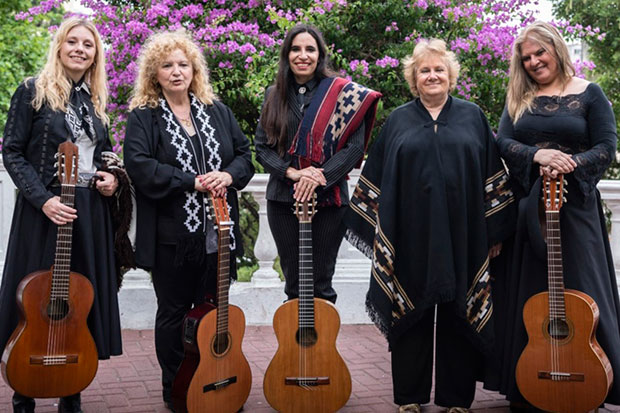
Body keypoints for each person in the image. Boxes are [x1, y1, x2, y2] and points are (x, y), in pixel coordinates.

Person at [344, 39, 515, 412]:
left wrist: (493, 232)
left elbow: (492, 177)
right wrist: (380, 232)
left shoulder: (473, 117)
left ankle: (456, 399)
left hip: (466, 236)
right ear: (414, 78)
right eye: (425, 70)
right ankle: (410, 398)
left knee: (459, 313)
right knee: (410, 313)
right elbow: (376, 178)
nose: (432, 75)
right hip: (410, 237)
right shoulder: (399, 121)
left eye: (439, 69)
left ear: (451, 76)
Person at [0, 17, 133, 413]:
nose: (79, 48)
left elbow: (103, 153)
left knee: (78, 299)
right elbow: (12, 151)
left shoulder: (95, 100)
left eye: (87, 45)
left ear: (96, 55)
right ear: (59, 46)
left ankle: (70, 387)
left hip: (89, 213)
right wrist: (43, 200)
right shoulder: (32, 92)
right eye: (72, 42)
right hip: (45, 212)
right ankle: (23, 387)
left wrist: (110, 180)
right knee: (34, 298)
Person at [123, 30, 254, 410]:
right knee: (174, 313)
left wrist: (228, 175)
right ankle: (178, 388)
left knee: (214, 309)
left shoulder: (217, 111)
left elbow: (244, 155)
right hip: (172, 238)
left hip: (219, 234)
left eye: (183, 64)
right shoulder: (143, 117)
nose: (177, 71)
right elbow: (140, 166)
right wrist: (191, 181)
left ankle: (215, 380)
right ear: (154, 74)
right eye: (167, 65)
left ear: (195, 69)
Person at [495, 21, 620, 407]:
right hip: (532, 209)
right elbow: (501, 141)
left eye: (539, 53)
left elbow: (607, 147)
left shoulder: (590, 94)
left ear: (556, 48)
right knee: (532, 293)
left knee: (585, 291)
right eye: (526, 57)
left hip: (577, 210)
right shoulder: (521, 98)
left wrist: (567, 163)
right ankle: (529, 384)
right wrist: (537, 155)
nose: (533, 62)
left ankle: (593, 379)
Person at [255, 24, 381, 303]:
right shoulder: (273, 95)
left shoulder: (344, 94)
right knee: (294, 284)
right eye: (296, 49)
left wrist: (318, 176)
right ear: (287, 55)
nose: (303, 55)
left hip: (330, 199)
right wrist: (293, 173)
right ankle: (293, 347)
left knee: (322, 282)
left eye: (310, 49)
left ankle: (323, 348)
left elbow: (355, 148)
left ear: (320, 55)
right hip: (282, 200)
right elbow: (262, 149)